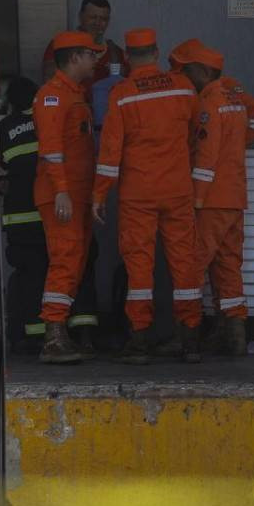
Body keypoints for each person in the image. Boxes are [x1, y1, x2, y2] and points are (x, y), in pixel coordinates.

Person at [93, 28, 204, 365]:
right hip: (178, 189)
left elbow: (111, 150)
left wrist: (99, 194)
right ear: (157, 53)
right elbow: (193, 136)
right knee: (184, 262)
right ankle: (190, 339)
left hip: (138, 193)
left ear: (127, 57)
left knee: (139, 265)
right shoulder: (184, 87)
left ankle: (138, 341)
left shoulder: (122, 93)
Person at [174, 40, 254, 357]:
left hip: (211, 200)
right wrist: (239, 141)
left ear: (200, 70)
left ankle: (188, 337)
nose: (182, 77)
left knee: (192, 265)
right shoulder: (234, 95)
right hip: (236, 196)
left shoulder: (208, 102)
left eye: (184, 70)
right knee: (229, 265)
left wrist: (197, 199)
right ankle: (235, 335)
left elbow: (206, 157)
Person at [32, 31, 103, 364]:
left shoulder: (74, 95)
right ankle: (54, 336)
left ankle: (60, 332)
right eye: (91, 54)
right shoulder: (53, 96)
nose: (96, 60)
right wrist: (61, 191)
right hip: (63, 195)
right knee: (65, 259)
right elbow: (51, 151)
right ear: (75, 57)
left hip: (76, 194)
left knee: (75, 260)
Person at [0, 77, 50, 353]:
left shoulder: (4, 128)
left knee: (28, 276)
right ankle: (67, 331)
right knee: (59, 272)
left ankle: (32, 335)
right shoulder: (48, 120)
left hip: (18, 217)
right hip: (51, 213)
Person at [42, 0, 128, 120]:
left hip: (105, 123)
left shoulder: (115, 52)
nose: (98, 23)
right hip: (71, 118)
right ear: (80, 17)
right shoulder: (61, 45)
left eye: (103, 19)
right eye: (93, 17)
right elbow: (49, 81)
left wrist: (122, 75)